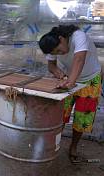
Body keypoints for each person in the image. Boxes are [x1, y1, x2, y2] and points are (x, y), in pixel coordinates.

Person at [39, 25, 101, 163]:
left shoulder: (79, 36)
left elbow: (79, 59)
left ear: (61, 39)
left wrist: (71, 82)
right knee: (60, 115)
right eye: (57, 53)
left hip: (90, 80)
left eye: (60, 50)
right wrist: (59, 73)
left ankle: (73, 147)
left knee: (82, 118)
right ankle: (52, 145)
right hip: (69, 79)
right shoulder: (51, 45)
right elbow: (52, 66)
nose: (60, 54)